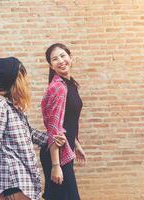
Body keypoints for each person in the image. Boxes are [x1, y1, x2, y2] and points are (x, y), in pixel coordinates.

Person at [0, 57, 66, 200]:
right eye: (23, 75)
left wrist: (52, 138)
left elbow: (28, 133)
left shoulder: (14, 106)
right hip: (12, 176)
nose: (26, 80)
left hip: (21, 175)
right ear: (16, 79)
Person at [40, 43, 86, 200]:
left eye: (63, 55)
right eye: (54, 59)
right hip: (56, 154)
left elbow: (68, 122)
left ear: (70, 57)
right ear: (51, 66)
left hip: (65, 150)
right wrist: (56, 166)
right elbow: (54, 128)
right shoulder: (58, 88)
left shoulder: (70, 84)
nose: (60, 60)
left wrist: (76, 144)